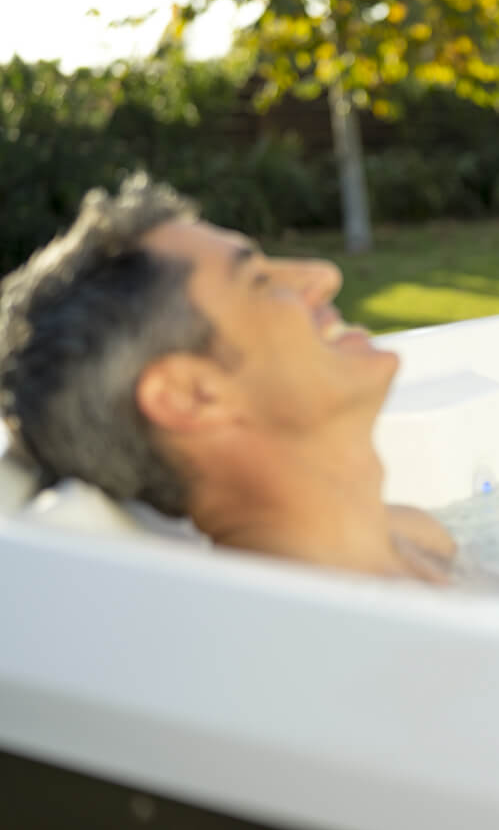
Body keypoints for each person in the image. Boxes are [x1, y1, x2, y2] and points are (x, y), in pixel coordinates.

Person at [0, 174, 454, 581]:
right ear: (189, 396)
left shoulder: (418, 542)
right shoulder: (313, 647)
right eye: (259, 281)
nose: (323, 276)